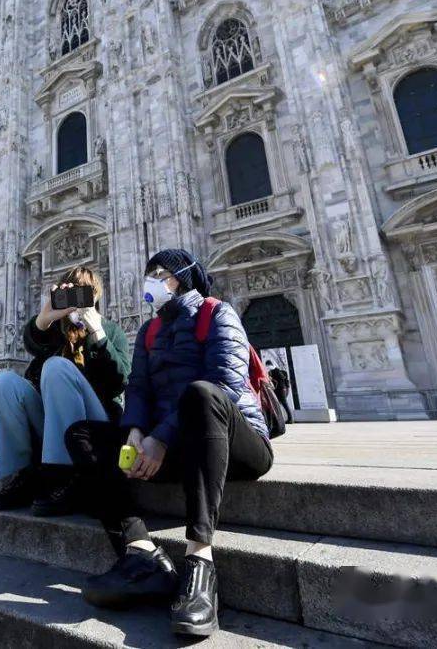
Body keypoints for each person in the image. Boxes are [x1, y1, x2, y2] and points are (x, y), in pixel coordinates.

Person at [64, 248, 273, 637]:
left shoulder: (217, 313)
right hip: (175, 448)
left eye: (161, 273)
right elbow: (138, 389)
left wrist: (161, 437)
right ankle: (141, 553)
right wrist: (137, 433)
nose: (152, 281)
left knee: (201, 393)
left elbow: (226, 385)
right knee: (82, 433)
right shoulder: (151, 329)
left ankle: (200, 561)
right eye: (150, 273)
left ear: (184, 277)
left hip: (236, 441)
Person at [0, 266, 131, 516]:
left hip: (94, 428)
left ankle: (64, 476)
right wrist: (44, 319)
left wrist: (98, 333)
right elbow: (33, 342)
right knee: (3, 383)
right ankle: (22, 475)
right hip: (55, 427)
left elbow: (120, 381)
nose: (76, 300)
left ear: (95, 296)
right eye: (70, 293)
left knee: (56, 367)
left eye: (82, 293)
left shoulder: (110, 331)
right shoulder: (56, 332)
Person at [265, 359, 293, 424]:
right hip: (279, 390)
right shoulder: (272, 371)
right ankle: (281, 420)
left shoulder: (277, 371)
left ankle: (290, 419)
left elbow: (281, 380)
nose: (267, 367)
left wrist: (271, 378)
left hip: (281, 390)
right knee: (278, 405)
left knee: (284, 404)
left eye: (268, 365)